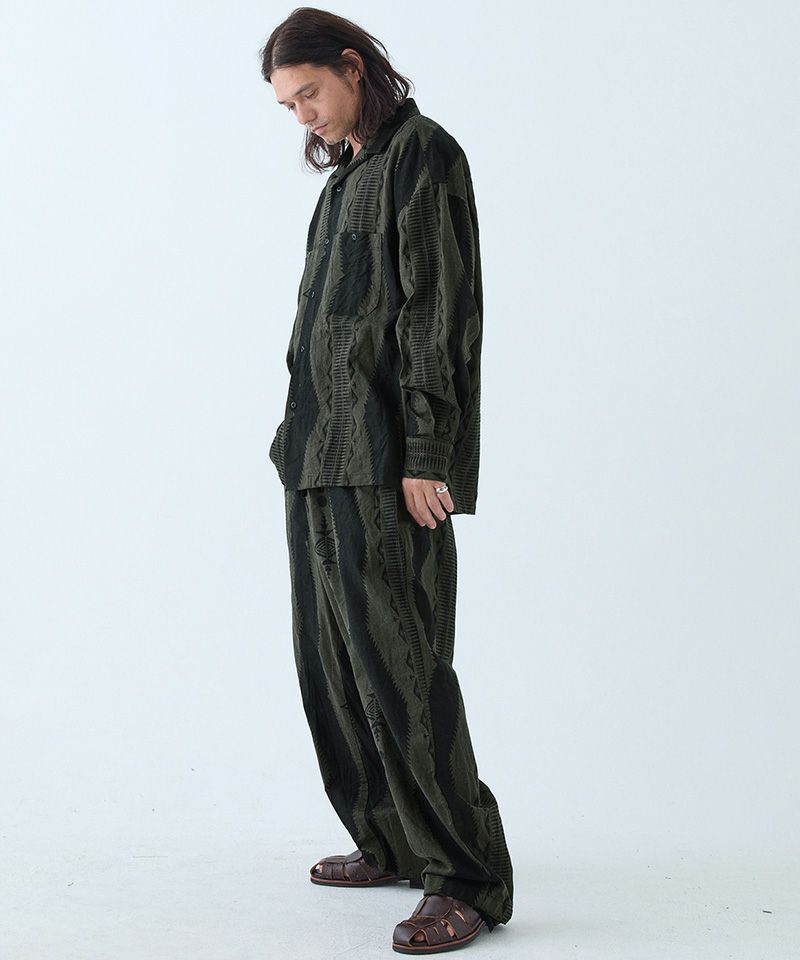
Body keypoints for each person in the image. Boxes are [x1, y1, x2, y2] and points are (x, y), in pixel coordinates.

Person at [260, 8, 514, 953]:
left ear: (353, 67)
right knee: (330, 666)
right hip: (316, 457)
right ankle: (390, 839)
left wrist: (428, 455)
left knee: (404, 670)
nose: (303, 116)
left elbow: (437, 313)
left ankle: (467, 878)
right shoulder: (344, 179)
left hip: (384, 460)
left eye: (309, 94)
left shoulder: (424, 156)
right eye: (288, 106)